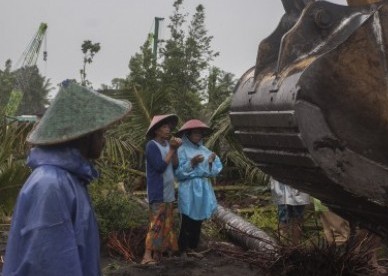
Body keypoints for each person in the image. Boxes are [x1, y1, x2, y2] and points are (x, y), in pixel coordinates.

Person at [2, 81, 131, 276]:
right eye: (101, 134)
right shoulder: (51, 184)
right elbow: (50, 265)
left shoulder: (68, 179)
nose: (104, 141)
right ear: (84, 135)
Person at [174, 119, 223, 258]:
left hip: (203, 188)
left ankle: (193, 247)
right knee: (187, 217)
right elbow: (178, 173)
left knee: (198, 218)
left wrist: (211, 162)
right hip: (189, 187)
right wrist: (192, 162)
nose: (197, 135)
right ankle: (182, 249)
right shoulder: (181, 149)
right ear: (188, 134)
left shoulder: (205, 150)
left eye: (199, 133)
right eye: (194, 133)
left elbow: (213, 171)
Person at [141, 114, 182, 265]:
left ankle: (159, 255)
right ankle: (146, 257)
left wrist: (175, 150)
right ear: (156, 130)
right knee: (156, 224)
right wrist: (172, 149)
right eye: (165, 127)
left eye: (169, 127)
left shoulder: (168, 145)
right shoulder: (152, 146)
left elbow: (176, 166)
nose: (168, 130)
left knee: (167, 224)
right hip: (158, 192)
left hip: (169, 192)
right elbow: (159, 167)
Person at [270, 178, 311, 245]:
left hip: (295, 188)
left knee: (292, 219)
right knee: (285, 219)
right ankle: (284, 245)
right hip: (285, 188)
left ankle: (294, 246)